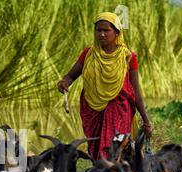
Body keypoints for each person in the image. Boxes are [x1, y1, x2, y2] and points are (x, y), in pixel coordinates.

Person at [57, 12, 152, 160]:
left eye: (106, 30)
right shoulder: (88, 54)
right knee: (97, 153)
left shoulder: (128, 57)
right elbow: (70, 77)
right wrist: (64, 83)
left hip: (119, 107)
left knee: (113, 148)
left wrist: (146, 121)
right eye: (98, 30)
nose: (101, 34)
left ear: (117, 33)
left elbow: (136, 91)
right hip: (93, 109)